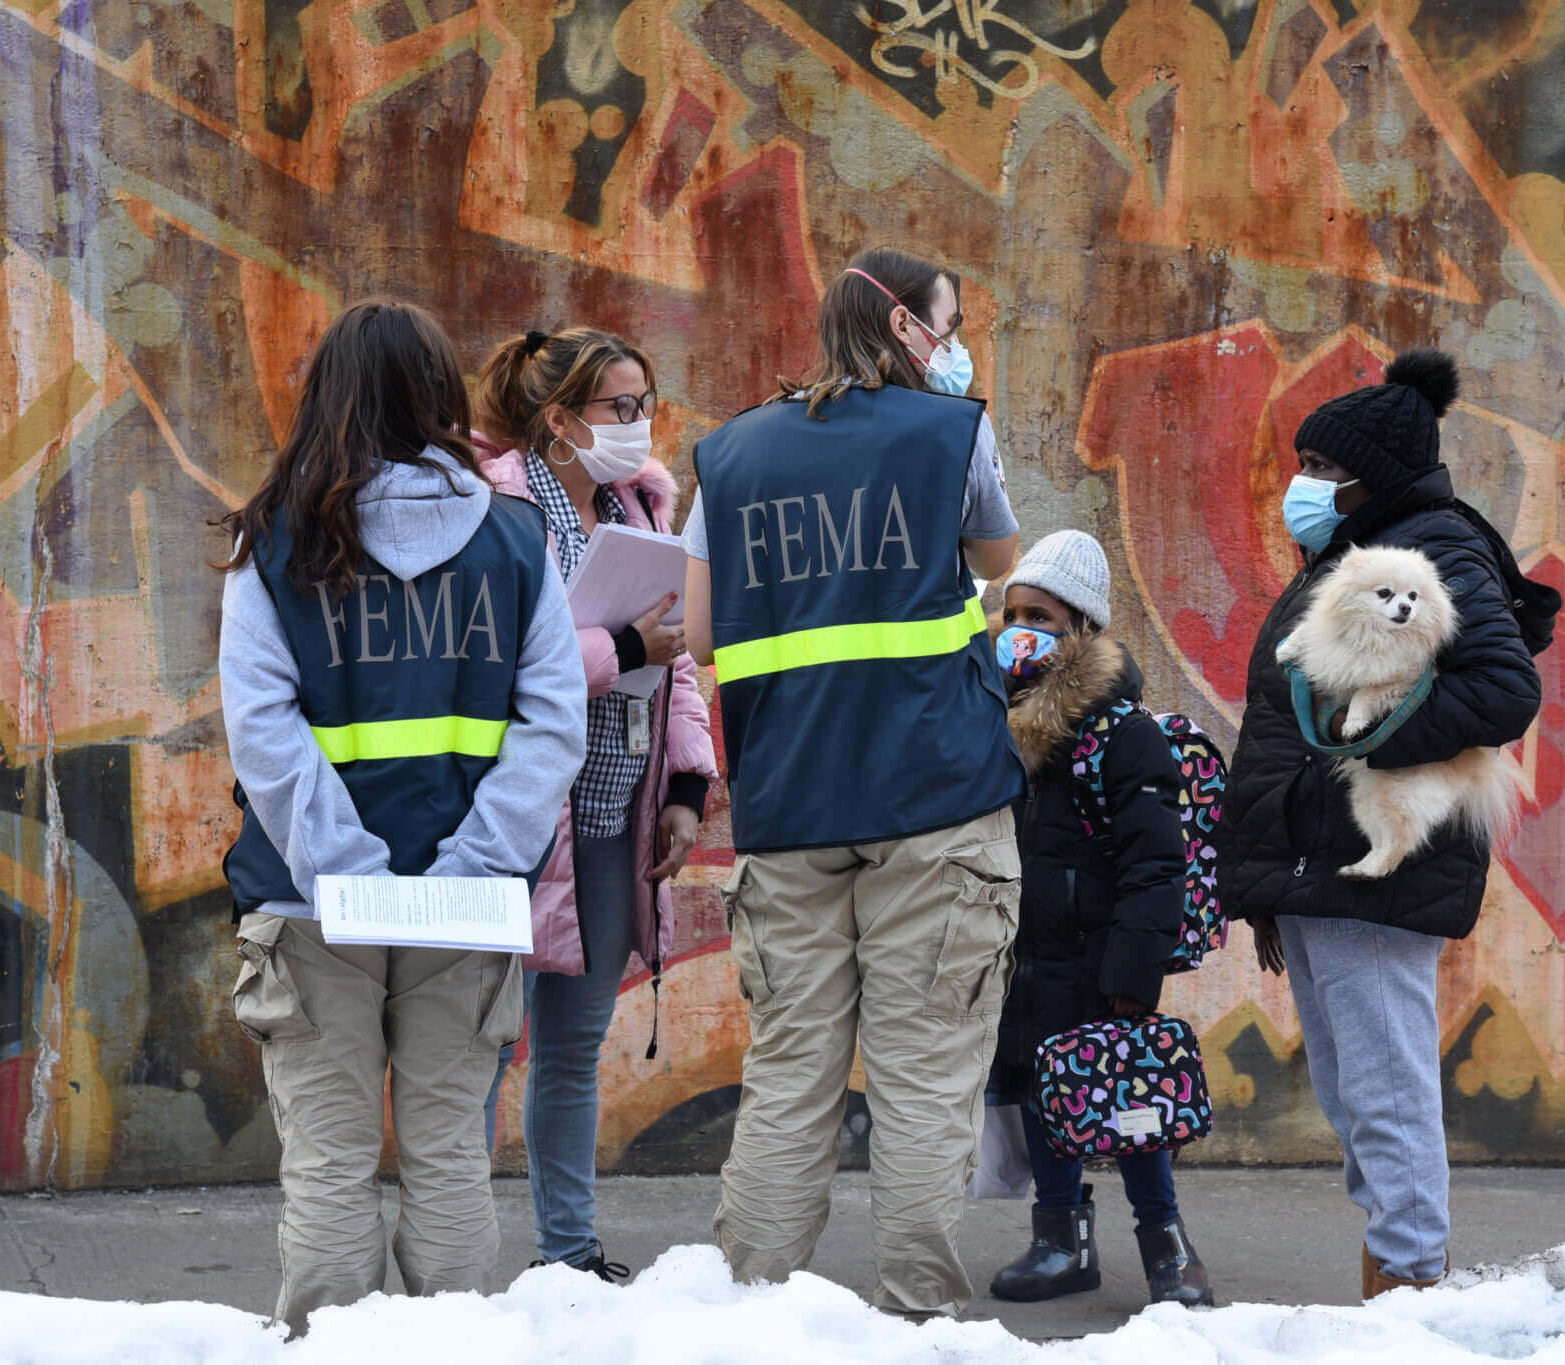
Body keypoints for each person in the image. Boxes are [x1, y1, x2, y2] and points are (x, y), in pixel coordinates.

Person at [217, 300, 587, 1332]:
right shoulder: (516, 540)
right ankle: (454, 1349)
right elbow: (553, 724)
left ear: (325, 397)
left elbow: (264, 731)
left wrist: (352, 872)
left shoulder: (274, 540)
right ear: (437, 397)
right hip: (464, 913)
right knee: (448, 1158)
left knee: (329, 1163)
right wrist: (471, 866)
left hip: (306, 904)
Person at [680, 246, 1024, 1318]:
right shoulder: (949, 432)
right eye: (947, 324)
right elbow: (998, 561)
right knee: (924, 1074)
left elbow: (697, 634)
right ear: (904, 332)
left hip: (787, 805)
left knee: (790, 1071)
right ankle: (915, 1313)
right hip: (936, 801)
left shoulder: (728, 455)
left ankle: (751, 1306)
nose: (957, 346)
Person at [1223, 350, 1549, 1300]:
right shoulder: (1353, 553)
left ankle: (1409, 1294)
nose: (1306, 487)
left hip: (1376, 865)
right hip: (1323, 867)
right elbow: (1292, 728)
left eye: (1325, 471)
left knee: (1385, 1093)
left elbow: (1501, 687)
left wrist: (1374, 748)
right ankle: (1395, 1282)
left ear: (1377, 476)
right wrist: (1274, 881)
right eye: (1307, 466)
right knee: (1353, 1095)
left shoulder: (1428, 547)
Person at [467, 327, 717, 1279]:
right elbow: (495, 673)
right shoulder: (496, 513)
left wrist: (688, 787)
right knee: (482, 1045)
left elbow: (677, 655)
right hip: (512, 824)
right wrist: (618, 647)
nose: (640, 425)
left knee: (572, 1050)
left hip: (614, 815)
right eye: (622, 407)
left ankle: (567, 1259)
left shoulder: (641, 504)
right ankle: (457, 1263)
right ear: (560, 419)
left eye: (647, 404)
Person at [984, 530, 1217, 1309]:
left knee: (1130, 1104)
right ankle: (1059, 1241)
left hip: (1099, 961)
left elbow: (1158, 867)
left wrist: (1131, 971)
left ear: (1080, 629)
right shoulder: (1001, 721)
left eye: (1041, 615)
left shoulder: (1124, 734)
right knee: (1043, 1098)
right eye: (1012, 612)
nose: (1020, 627)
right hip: (1025, 959)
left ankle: (1167, 1245)